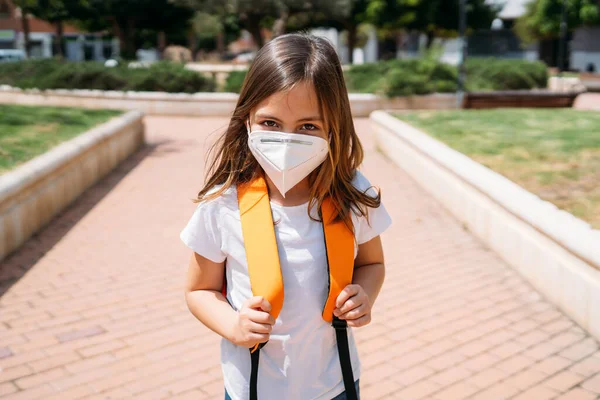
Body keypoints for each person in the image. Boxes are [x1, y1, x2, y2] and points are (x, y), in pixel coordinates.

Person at [180, 32, 392, 400]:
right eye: (271, 124)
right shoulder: (223, 203)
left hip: (335, 385)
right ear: (247, 118)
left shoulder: (351, 192)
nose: (288, 141)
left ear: (334, 126)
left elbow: (372, 264)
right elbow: (200, 290)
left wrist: (365, 295)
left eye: (308, 127)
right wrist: (233, 325)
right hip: (252, 389)